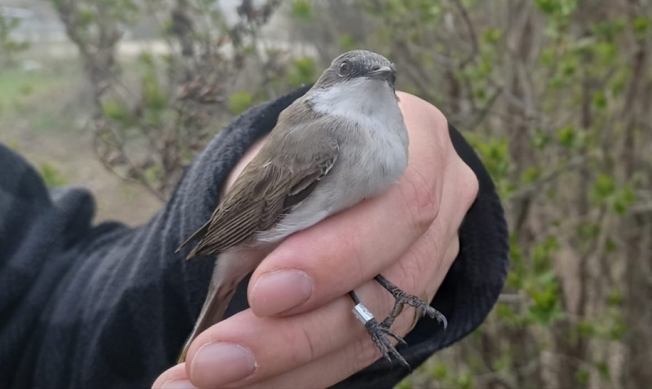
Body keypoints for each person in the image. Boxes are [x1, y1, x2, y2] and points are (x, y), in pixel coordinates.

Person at [0, 85, 508, 389]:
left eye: (384, 80)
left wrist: (438, 222)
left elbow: (42, 298)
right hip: (257, 233)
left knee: (318, 263)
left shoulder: (360, 131)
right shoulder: (324, 142)